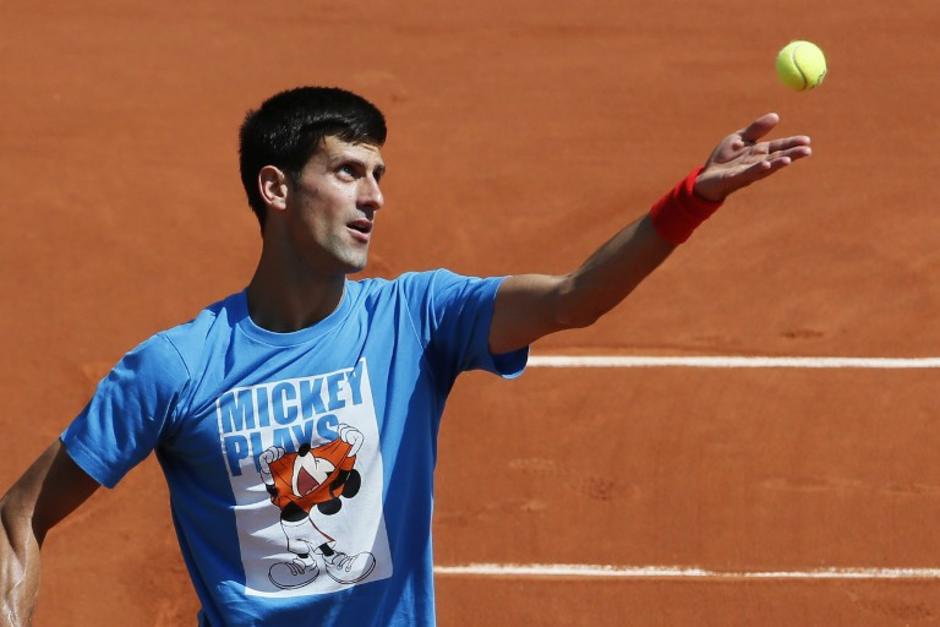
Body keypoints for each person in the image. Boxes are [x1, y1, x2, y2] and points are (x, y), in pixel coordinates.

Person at [0, 86, 811, 626]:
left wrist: (693, 199)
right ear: (277, 189)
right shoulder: (178, 367)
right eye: (348, 171)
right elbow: (23, 515)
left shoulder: (417, 315)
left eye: (379, 174)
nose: (375, 195)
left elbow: (574, 297)